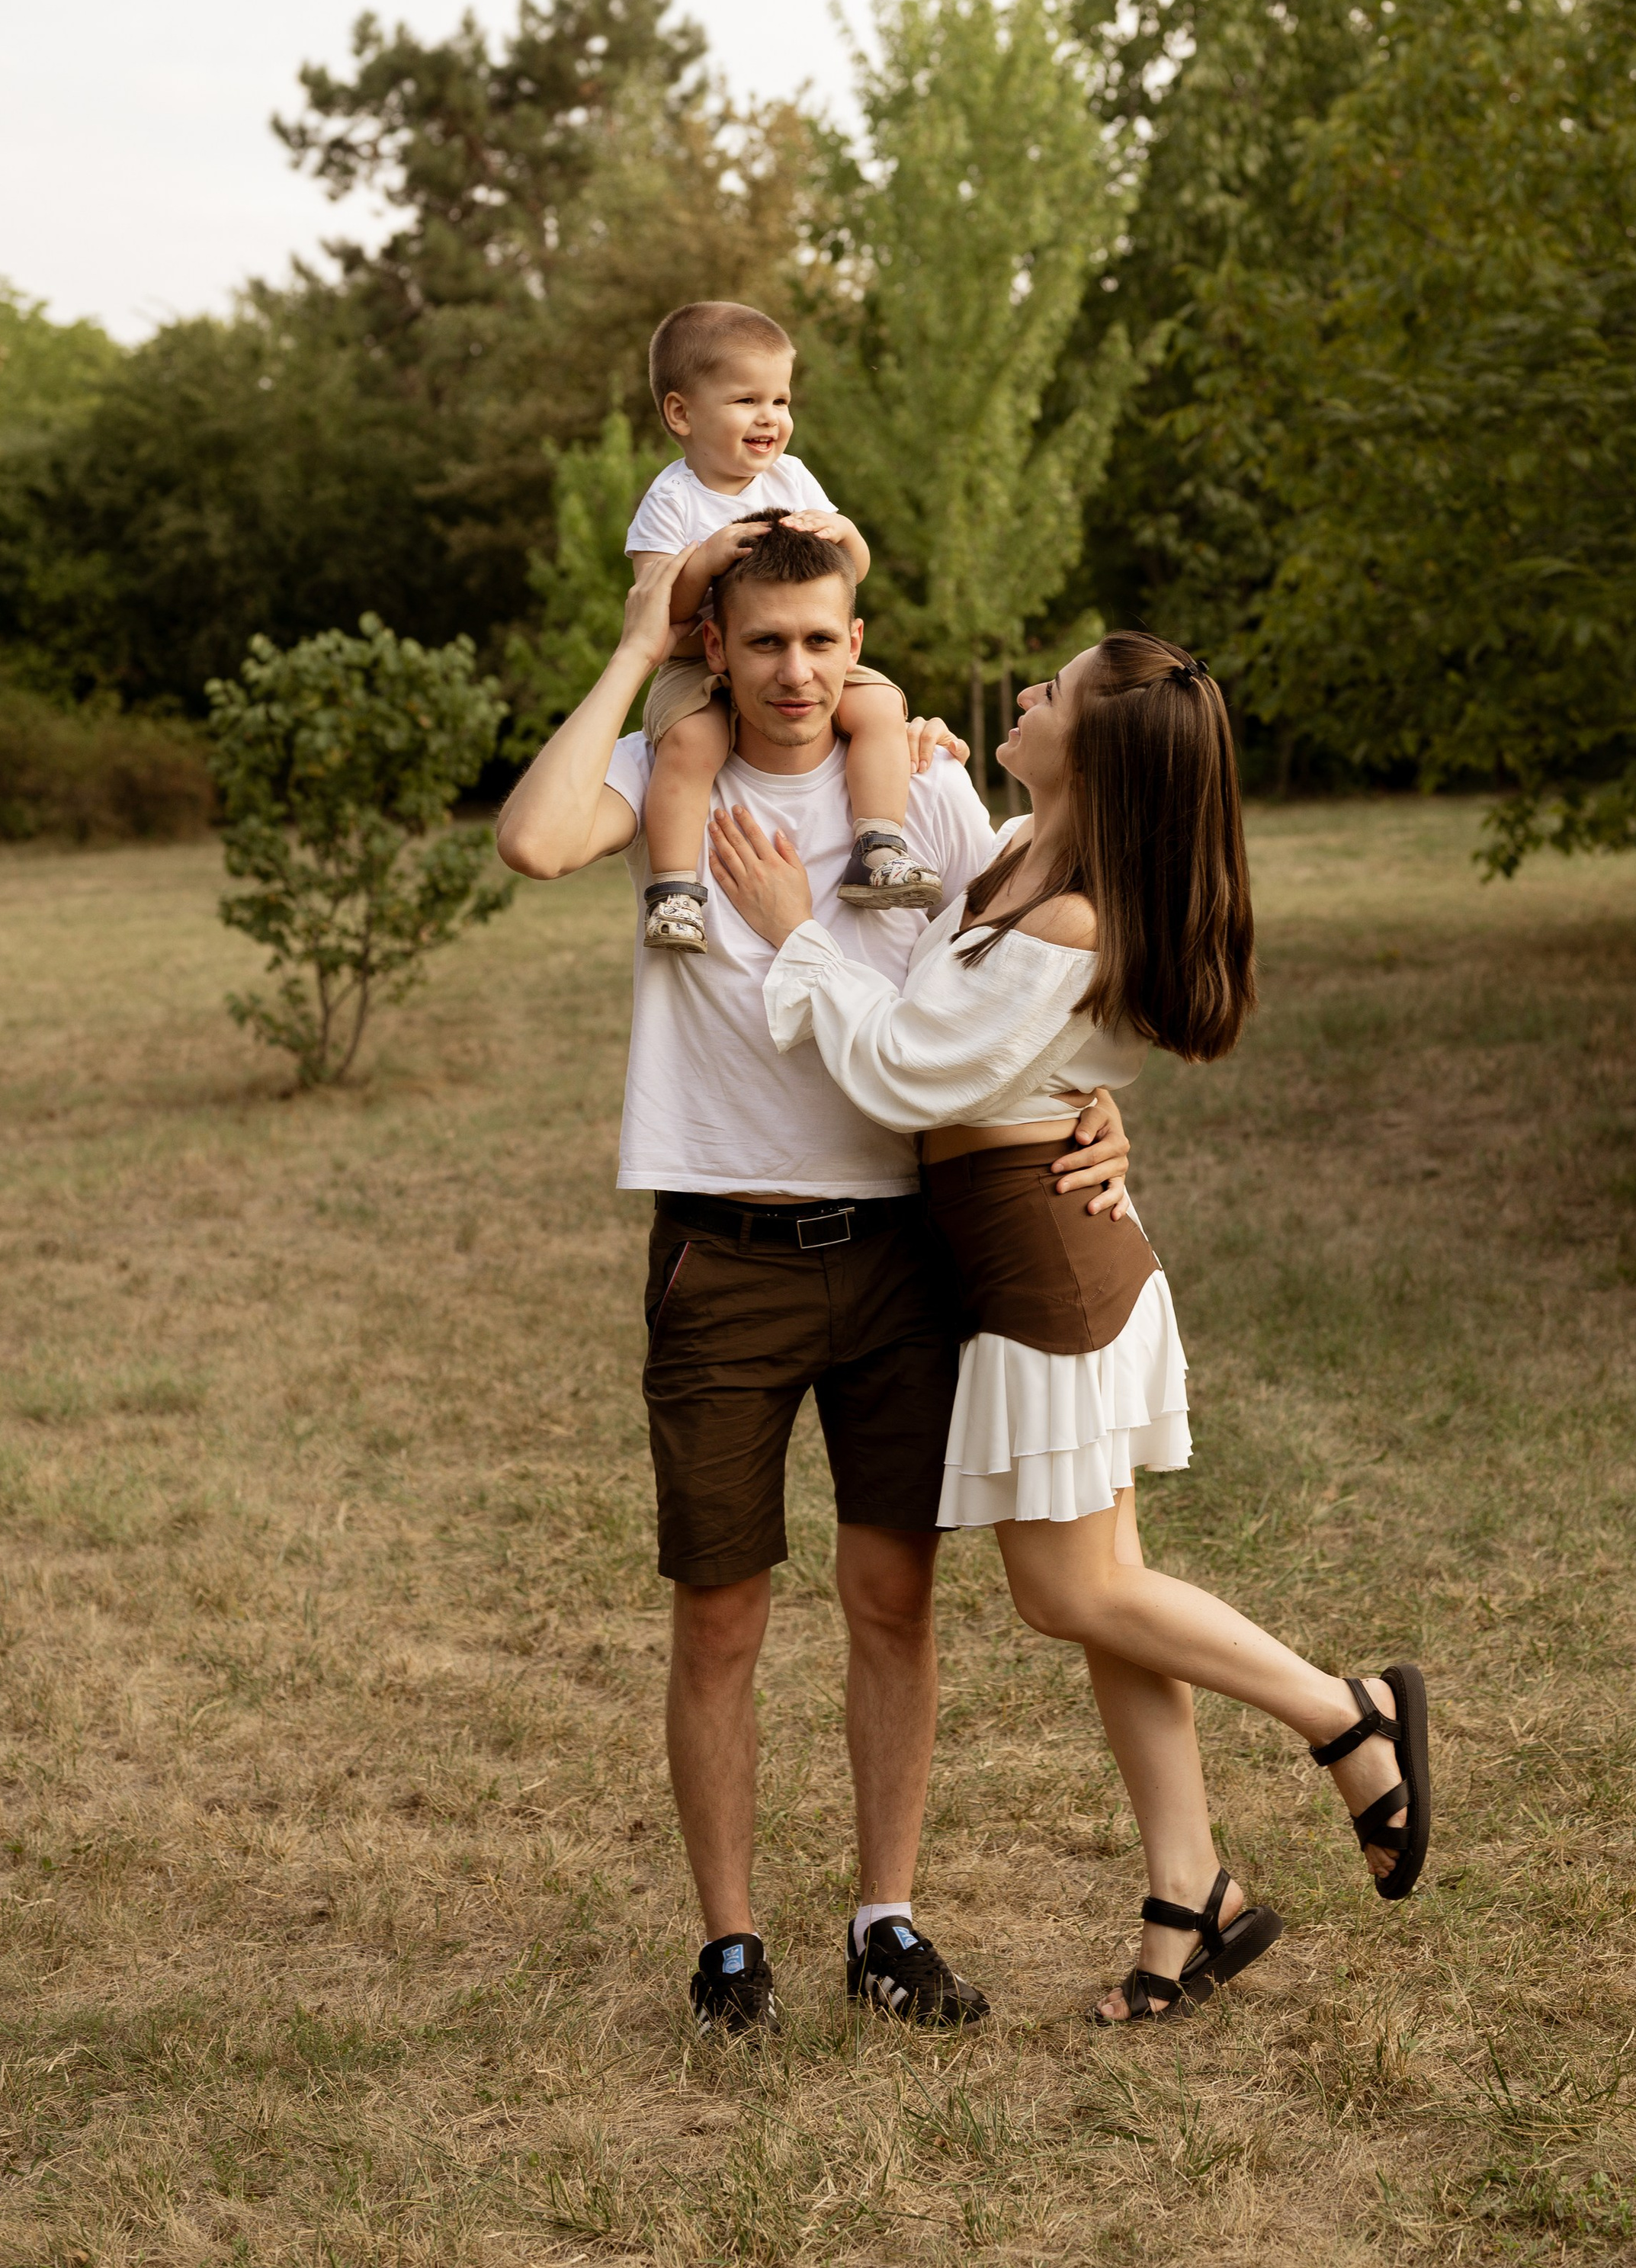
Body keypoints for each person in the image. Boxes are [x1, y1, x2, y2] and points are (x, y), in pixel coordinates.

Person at [708, 631, 1433, 2026]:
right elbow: (970, 1009)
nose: (1026, 698)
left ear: (1091, 748)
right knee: (1113, 1595)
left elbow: (912, 1062)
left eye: (1052, 693)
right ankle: (1190, 1899)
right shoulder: (1030, 845)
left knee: (1069, 1592)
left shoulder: (1072, 918)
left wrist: (793, 923)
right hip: (1031, 1242)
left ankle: (1346, 1712)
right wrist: (909, 779)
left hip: (1046, 1266)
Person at [494, 525, 1136, 2039]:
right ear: (724, 647)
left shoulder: (916, 790)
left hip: (903, 1254)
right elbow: (527, 839)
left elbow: (1033, 969)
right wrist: (638, 639)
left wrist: (1104, 1106)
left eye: (823, 642)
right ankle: (728, 1943)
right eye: (766, 640)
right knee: (718, 1616)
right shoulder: (675, 783)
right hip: (720, 1255)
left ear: (858, 646)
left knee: (889, 1599)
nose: (796, 671)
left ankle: (883, 1918)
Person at [627, 298, 938, 954]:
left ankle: (879, 842)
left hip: (791, 644)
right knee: (689, 747)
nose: (771, 416)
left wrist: (849, 535)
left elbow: (847, 573)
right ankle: (676, 890)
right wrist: (703, 561)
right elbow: (657, 609)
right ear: (681, 413)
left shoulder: (792, 477)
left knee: (881, 705)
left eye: (781, 400)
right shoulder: (673, 500)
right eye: (746, 400)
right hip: (696, 661)